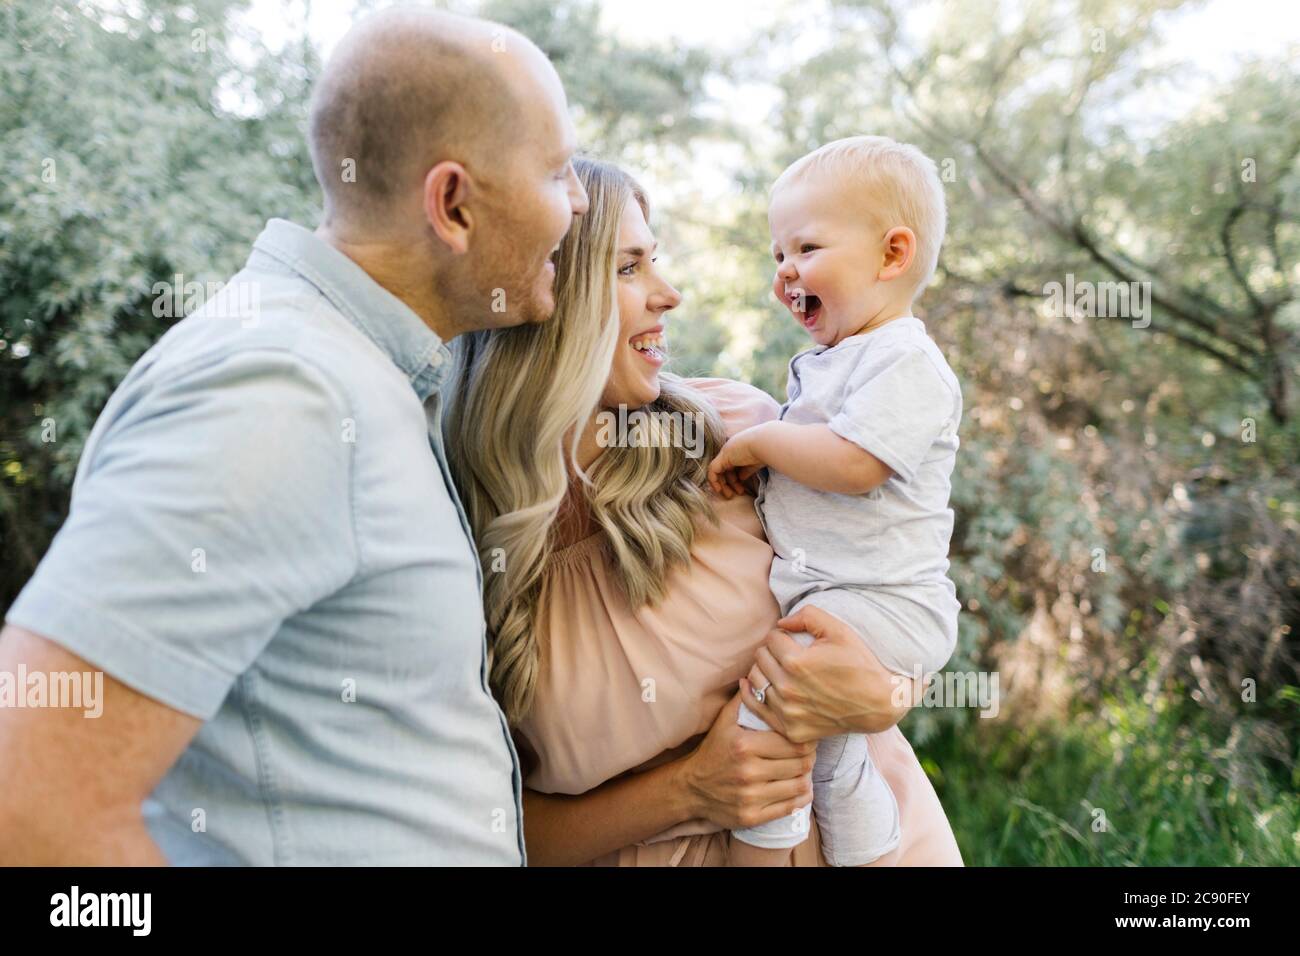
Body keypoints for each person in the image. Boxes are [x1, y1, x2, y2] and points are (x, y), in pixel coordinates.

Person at [0, 7, 587, 864]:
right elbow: (29, 803)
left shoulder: (354, 375)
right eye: (560, 170)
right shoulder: (284, 392)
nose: (578, 200)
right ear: (452, 204)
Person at [447, 157, 964, 866]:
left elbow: (893, 575)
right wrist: (691, 790)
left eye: (655, 261)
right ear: (543, 292)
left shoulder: (742, 436)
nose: (672, 294)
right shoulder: (460, 526)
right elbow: (477, 832)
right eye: (628, 268)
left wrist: (890, 694)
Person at [708, 135, 962, 867]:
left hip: (889, 602)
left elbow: (853, 463)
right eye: (776, 256)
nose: (786, 271)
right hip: (850, 595)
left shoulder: (905, 360)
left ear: (892, 255)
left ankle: (761, 854)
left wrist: (761, 444)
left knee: (771, 704)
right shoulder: (837, 360)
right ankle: (866, 851)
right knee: (830, 752)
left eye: (806, 248)